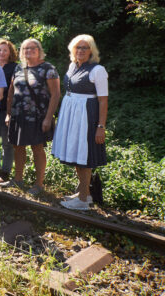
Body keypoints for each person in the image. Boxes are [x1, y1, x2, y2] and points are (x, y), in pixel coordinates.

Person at [52, 35, 108, 210]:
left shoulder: (97, 70)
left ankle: (83, 200)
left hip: (86, 115)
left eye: (85, 48)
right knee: (77, 154)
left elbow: (103, 101)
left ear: (91, 50)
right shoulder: (72, 66)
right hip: (71, 114)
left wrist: (100, 126)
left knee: (84, 155)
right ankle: (85, 193)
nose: (81, 51)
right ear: (72, 50)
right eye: (78, 47)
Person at [3, 38, 60, 196]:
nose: (28, 51)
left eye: (32, 48)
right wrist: (8, 114)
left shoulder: (48, 69)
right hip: (18, 115)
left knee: (37, 148)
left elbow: (55, 95)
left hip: (38, 116)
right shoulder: (19, 68)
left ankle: (38, 184)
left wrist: (48, 118)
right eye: (25, 49)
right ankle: (18, 179)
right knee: (18, 146)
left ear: (39, 50)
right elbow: (10, 92)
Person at [0, 38, 18, 182]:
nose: (1, 52)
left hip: (6, 110)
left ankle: (5, 173)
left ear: (10, 52)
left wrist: (10, 112)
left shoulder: (14, 67)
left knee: (7, 143)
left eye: (5, 50)